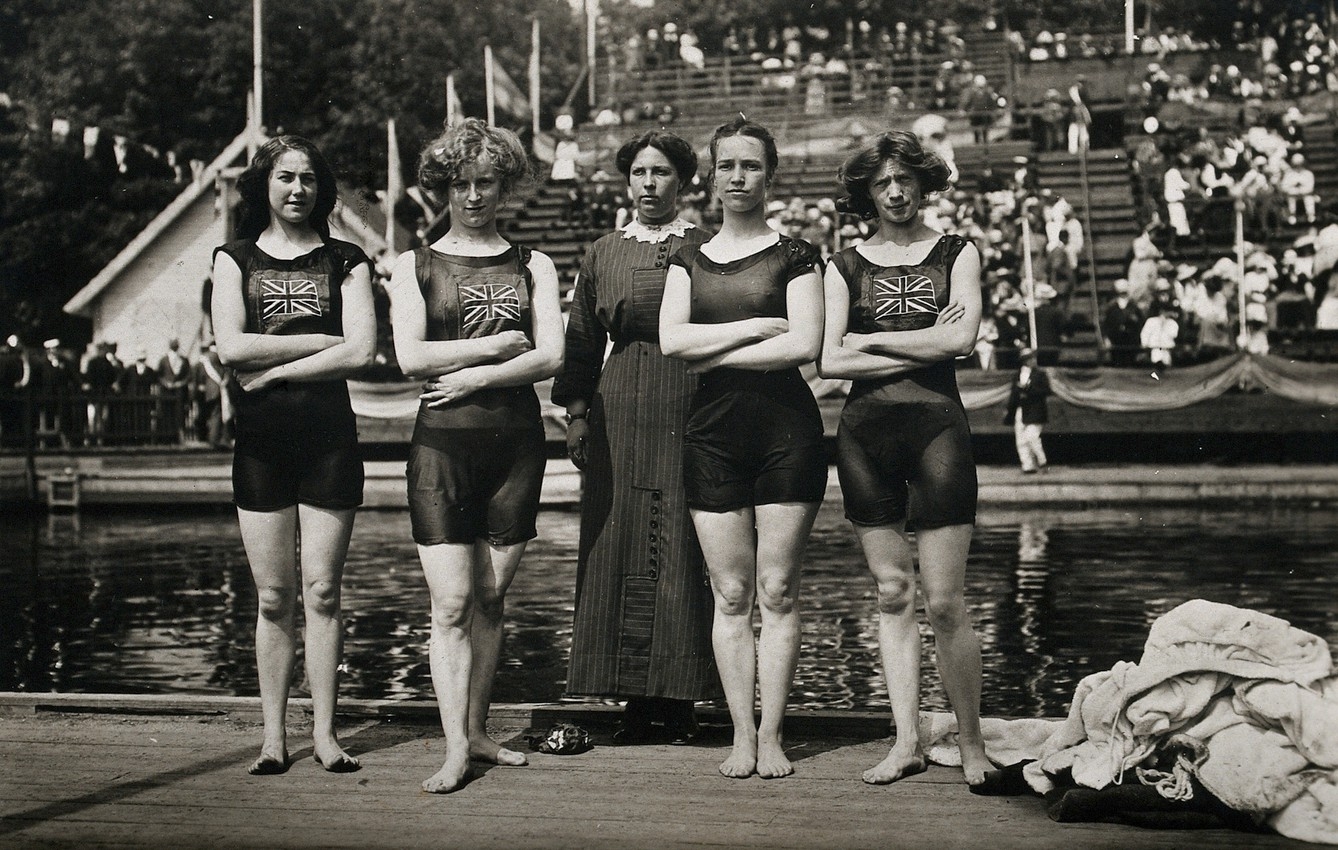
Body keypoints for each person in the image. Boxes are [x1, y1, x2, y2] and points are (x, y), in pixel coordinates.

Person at [384, 119, 563, 794]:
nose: (474, 195)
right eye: (460, 183)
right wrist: (493, 348)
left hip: (515, 444)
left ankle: (480, 731)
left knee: (491, 597)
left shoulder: (533, 264)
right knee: (452, 603)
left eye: (486, 181)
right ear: (442, 187)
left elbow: (551, 354)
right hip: (443, 447)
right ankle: (455, 746)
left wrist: (476, 378)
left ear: (506, 184)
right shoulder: (417, 264)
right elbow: (410, 357)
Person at [818, 129, 992, 787]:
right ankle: (906, 740)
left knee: (945, 601)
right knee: (892, 593)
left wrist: (872, 338)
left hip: (937, 431)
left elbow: (964, 338)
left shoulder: (957, 252)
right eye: (881, 183)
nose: (894, 193)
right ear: (867, 191)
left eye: (904, 181)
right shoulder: (843, 264)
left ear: (923, 185)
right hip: (865, 437)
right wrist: (930, 337)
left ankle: (972, 744)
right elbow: (830, 359)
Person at [659, 117, 825, 779]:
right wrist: (759, 322)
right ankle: (741, 736)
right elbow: (673, 343)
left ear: (769, 174)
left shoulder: (797, 253)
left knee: (777, 590)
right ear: (712, 174)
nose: (737, 177)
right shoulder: (688, 256)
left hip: (787, 433)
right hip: (714, 436)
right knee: (731, 594)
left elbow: (805, 345)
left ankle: (775, 733)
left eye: (750, 166)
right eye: (727, 165)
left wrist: (717, 343)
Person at [210, 135, 376, 776]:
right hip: (261, 444)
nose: (298, 189)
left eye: (308, 178)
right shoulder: (235, 258)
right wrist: (321, 343)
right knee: (275, 598)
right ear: (266, 186)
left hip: (329, 440)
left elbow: (361, 351)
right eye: (285, 178)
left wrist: (273, 367)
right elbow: (229, 346)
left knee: (325, 591)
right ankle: (274, 737)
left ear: (321, 188)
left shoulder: (347, 258)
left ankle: (328, 734)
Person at [552, 130, 720, 745]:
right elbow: (580, 342)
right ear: (628, 182)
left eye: (662, 173)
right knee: (620, 540)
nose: (650, 184)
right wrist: (576, 415)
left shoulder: (706, 245)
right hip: (617, 403)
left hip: (688, 402)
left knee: (679, 540)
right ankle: (631, 698)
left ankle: (680, 699)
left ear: (683, 181)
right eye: (640, 174)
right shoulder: (603, 251)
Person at [1004, 347, 1051, 474]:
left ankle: (1042, 461)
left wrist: (1028, 389)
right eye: (1029, 358)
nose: (1032, 360)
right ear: (1024, 361)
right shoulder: (1017, 375)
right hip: (1021, 409)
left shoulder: (1040, 374)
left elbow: (1046, 390)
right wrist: (1010, 410)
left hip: (1035, 409)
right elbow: (1014, 394)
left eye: (1033, 358)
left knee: (1032, 436)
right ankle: (1028, 465)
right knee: (1021, 439)